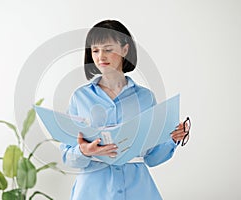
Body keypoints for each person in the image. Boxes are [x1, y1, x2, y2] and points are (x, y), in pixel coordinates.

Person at [60, 19, 188, 200]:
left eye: (108, 49)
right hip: (92, 190)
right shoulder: (80, 98)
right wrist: (85, 151)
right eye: (95, 50)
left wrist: (172, 140)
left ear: (125, 50)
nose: (100, 56)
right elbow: (67, 155)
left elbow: (152, 157)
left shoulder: (145, 98)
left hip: (138, 189)